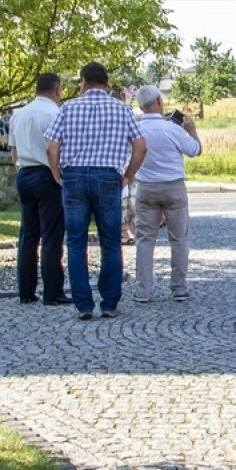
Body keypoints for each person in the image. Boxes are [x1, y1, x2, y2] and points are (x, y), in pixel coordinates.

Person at [44, 61, 145, 320]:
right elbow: (140, 146)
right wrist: (128, 175)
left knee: (76, 242)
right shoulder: (122, 109)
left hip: (74, 176)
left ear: (83, 82)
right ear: (106, 82)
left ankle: (83, 305)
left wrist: (56, 173)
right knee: (110, 242)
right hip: (108, 176)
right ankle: (109, 303)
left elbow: (51, 147)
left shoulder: (68, 108)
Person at [131, 85, 202, 303]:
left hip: (146, 187)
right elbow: (195, 150)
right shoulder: (172, 129)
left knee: (145, 239)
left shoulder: (136, 128)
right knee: (178, 238)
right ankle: (179, 287)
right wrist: (192, 130)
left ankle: (143, 290)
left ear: (141, 106)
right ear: (159, 101)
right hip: (173, 187)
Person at [8, 73, 68, 306]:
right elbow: (57, 148)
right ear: (57, 90)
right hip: (47, 173)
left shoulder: (18, 114)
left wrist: (20, 168)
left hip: (24, 173)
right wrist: (57, 174)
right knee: (51, 235)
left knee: (28, 234)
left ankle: (26, 290)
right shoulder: (55, 113)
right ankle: (53, 291)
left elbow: (13, 151)